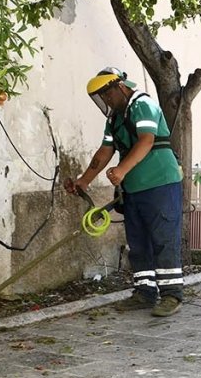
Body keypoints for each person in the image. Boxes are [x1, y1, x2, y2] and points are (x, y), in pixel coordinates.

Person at [66, 67, 185, 317]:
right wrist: (84, 180)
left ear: (120, 87)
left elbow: (146, 140)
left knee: (163, 240)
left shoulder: (143, 105)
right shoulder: (114, 119)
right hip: (135, 189)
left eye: (107, 95)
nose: (106, 101)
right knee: (137, 242)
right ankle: (144, 292)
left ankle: (172, 294)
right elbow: (104, 151)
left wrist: (121, 169)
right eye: (101, 97)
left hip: (160, 183)